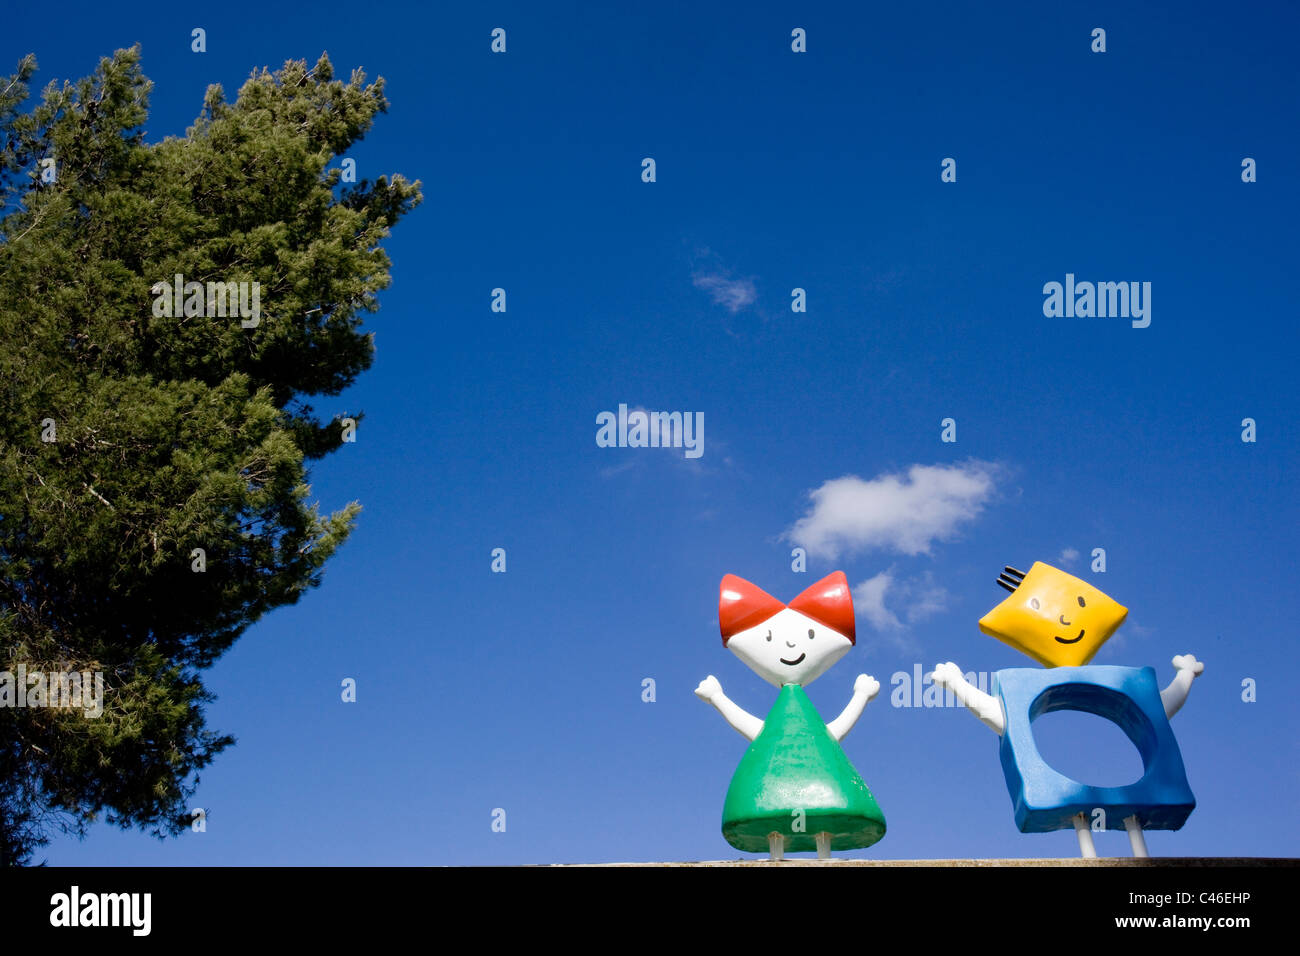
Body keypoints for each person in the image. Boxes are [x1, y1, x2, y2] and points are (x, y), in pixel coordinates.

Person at [696, 571, 886, 860]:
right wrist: (717, 698)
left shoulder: (802, 724)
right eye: (770, 637)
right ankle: (781, 851)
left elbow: (835, 732)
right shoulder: (779, 725)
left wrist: (861, 696)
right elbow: (756, 728)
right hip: (772, 792)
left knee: (820, 825)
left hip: (826, 791)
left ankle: (821, 852)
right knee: (781, 827)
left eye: (810, 635)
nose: (790, 647)